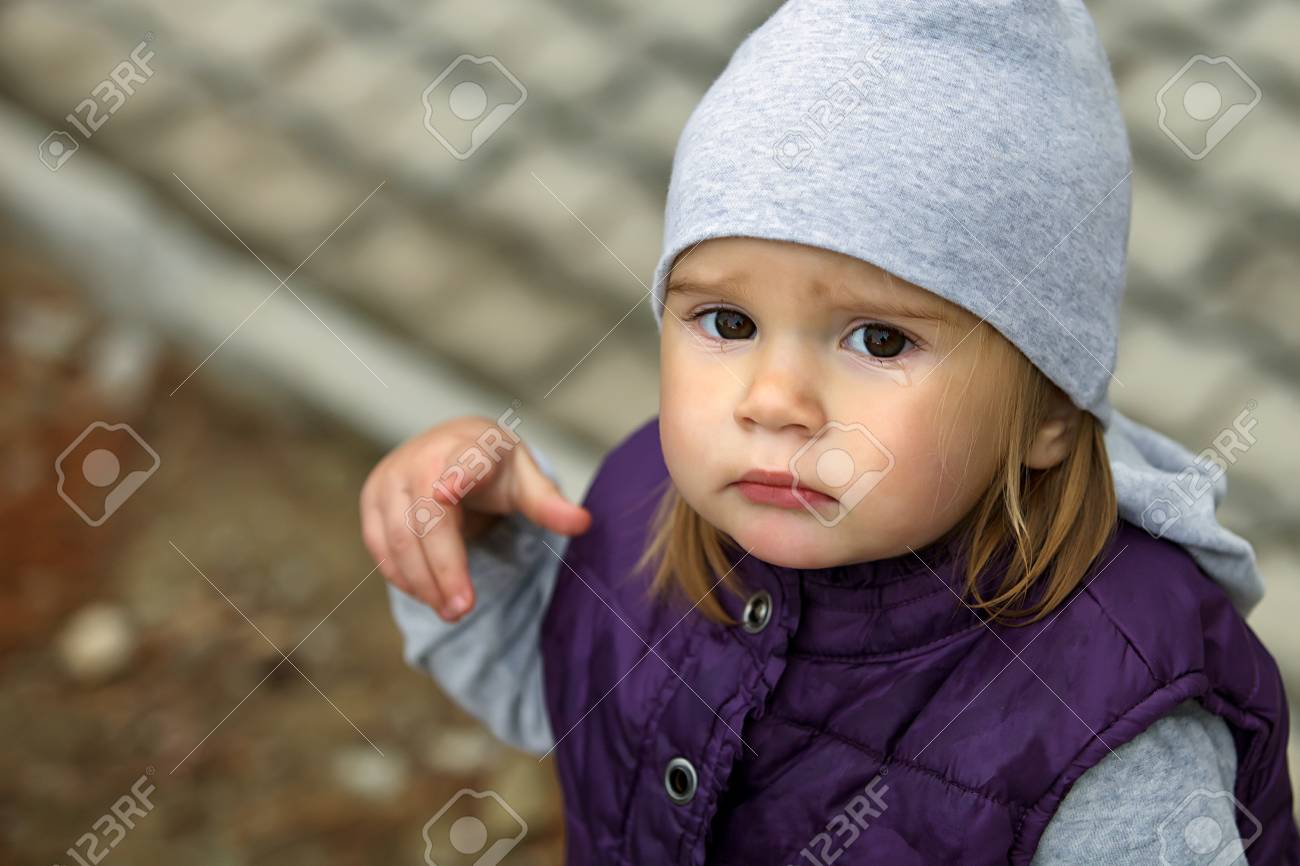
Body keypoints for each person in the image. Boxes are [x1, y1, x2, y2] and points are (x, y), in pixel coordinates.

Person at [360, 1, 1299, 862]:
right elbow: (568, 690)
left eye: (878, 338)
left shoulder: (1109, 736)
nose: (774, 400)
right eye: (727, 323)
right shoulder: (642, 499)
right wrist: (480, 539)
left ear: (1050, 410)